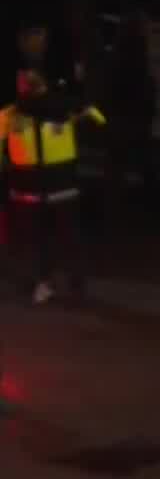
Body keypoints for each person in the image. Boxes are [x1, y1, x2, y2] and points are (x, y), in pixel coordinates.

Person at [2, 71, 106, 304]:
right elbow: (100, 121)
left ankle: (50, 283)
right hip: (56, 186)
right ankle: (70, 284)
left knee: (43, 240)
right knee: (66, 238)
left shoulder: (10, 116)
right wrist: (85, 111)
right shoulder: (63, 108)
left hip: (34, 187)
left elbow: (99, 120)